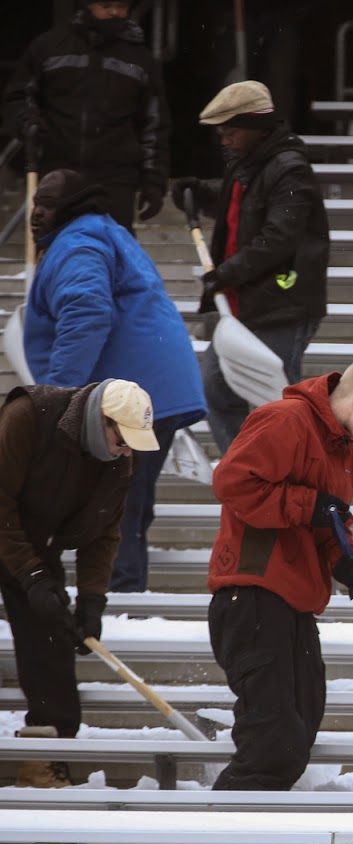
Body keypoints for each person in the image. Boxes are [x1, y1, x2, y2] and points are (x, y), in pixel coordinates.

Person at [207, 357, 353, 791]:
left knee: (302, 720)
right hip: (254, 590)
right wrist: (308, 505)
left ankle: (250, 820)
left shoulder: (346, 447)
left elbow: (330, 516)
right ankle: (225, 823)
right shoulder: (285, 420)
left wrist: (346, 557)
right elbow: (233, 483)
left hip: (296, 596)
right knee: (272, 740)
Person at [24, 169, 206, 593]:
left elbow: (86, 313)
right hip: (148, 384)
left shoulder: (78, 244)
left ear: (71, 208)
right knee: (126, 500)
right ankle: (123, 592)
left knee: (115, 503)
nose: (36, 214)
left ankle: (121, 597)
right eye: (35, 204)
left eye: (47, 205)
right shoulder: (100, 233)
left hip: (130, 393)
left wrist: (54, 397)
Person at [0, 379, 158, 787]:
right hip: (11, 530)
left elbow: (103, 532)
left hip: (35, 545)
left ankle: (42, 759)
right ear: (101, 420)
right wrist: (32, 574)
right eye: (122, 440)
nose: (127, 451)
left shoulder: (118, 459)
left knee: (51, 641)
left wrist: (92, 598)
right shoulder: (29, 416)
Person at [170, 80, 329, 455]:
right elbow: (242, 211)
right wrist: (201, 194)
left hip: (282, 304)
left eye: (231, 131)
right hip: (244, 305)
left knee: (277, 403)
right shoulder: (246, 165)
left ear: (258, 127)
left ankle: (286, 473)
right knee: (216, 389)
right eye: (221, 132)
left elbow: (278, 237)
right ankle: (249, 472)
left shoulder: (291, 170)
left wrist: (226, 274)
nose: (225, 139)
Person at [1, 0, 170, 231]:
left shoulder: (140, 59)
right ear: (88, 5)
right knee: (57, 247)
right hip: (57, 175)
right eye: (106, 5)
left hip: (115, 181)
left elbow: (155, 125)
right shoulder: (49, 47)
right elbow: (18, 96)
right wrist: (26, 121)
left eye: (122, 6)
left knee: (109, 248)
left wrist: (154, 181)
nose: (115, 12)